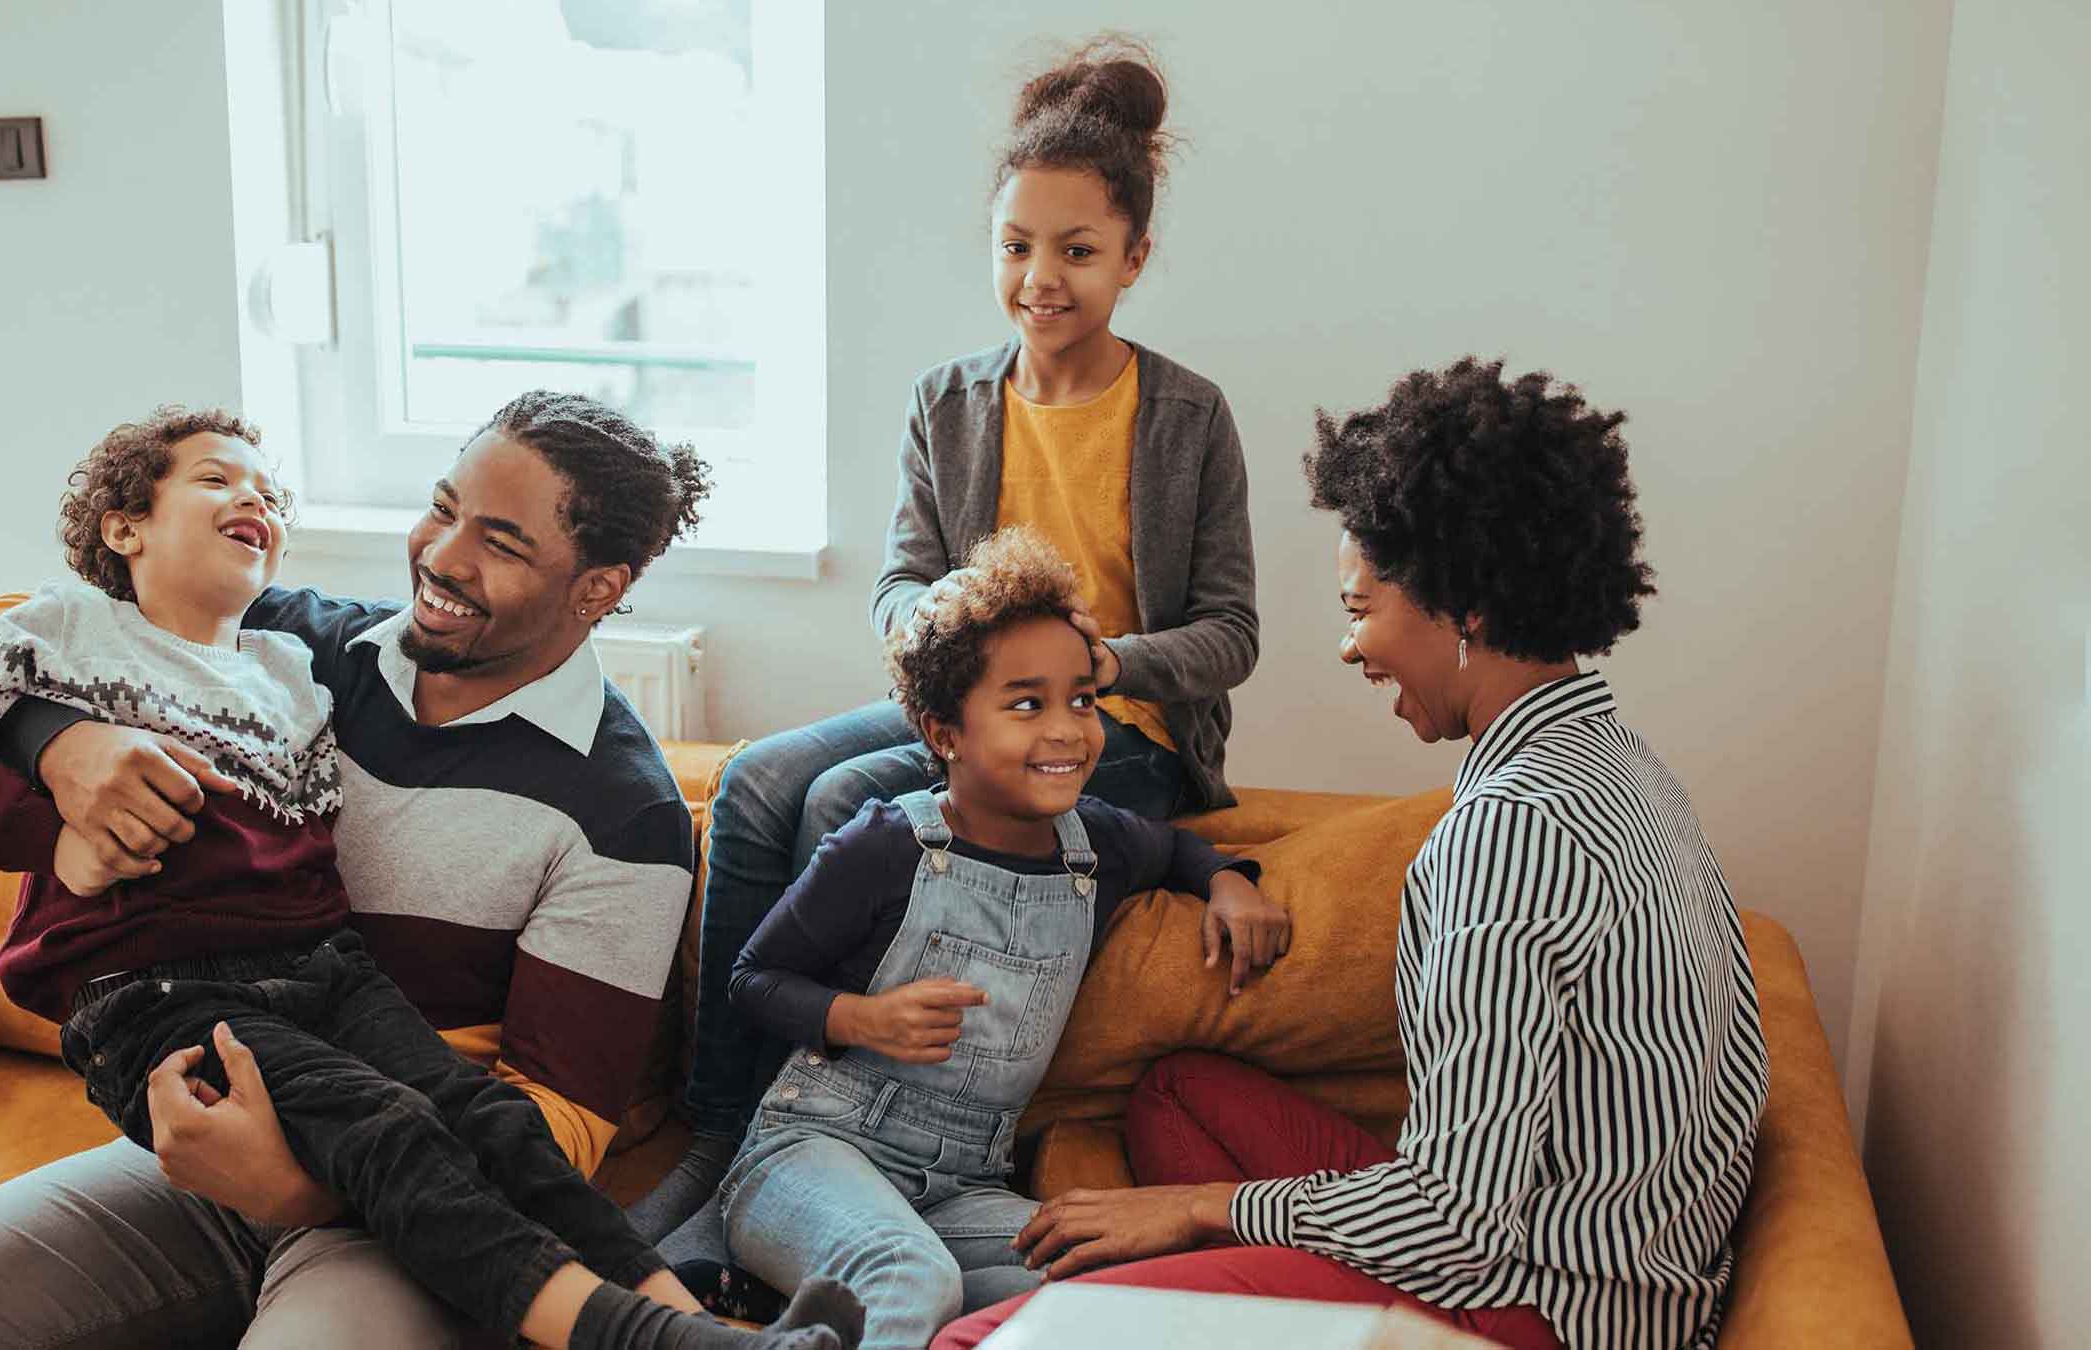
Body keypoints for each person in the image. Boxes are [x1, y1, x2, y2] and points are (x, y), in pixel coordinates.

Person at [0, 395, 855, 1348]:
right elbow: (45, 649)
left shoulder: (624, 811)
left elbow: (562, 1131)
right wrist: (61, 747)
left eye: (500, 542)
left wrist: (297, 1186)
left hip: (412, 1204)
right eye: (441, 507)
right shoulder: (291, 652)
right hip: (193, 1127)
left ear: (599, 587)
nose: (441, 556)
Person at [934, 359, 1771, 1350]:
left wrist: (1204, 1210)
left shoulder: (1509, 834)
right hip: (1630, 1278)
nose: (1350, 648)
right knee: (1176, 1090)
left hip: (1541, 1311)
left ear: (1470, 609)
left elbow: (1456, 1223)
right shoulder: (1626, 766)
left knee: (972, 1342)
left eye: (1360, 609)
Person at [635, 35, 1260, 1247]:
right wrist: (918, 629)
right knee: (765, 779)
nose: (1042, 277)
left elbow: (1231, 632)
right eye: (1016, 246)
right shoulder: (949, 400)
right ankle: (723, 1126)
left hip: (1110, 728)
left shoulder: (1188, 416)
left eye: (1078, 251)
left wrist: (1103, 670)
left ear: (1135, 257)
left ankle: (833, 1135)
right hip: (973, 702)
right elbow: (899, 581)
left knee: (845, 811)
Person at [712, 527, 1284, 1349]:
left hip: (963, 1187)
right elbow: (753, 977)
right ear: (945, 732)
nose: (1067, 730)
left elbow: (1182, 849)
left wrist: (1231, 881)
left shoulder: (1103, 843)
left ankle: (790, 1321)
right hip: (808, 1159)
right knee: (912, 1276)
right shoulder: (881, 846)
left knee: (1099, 1288)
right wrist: (859, 1020)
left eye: (1082, 700)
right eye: (1027, 704)